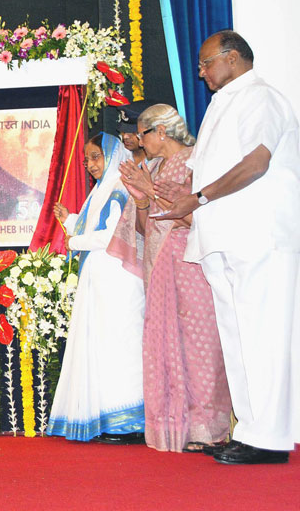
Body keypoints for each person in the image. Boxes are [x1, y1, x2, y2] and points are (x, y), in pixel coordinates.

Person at [155, 30, 300, 465]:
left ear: (233, 58)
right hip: (222, 236)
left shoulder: (261, 97)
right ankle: (251, 431)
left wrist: (198, 199)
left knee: (263, 336)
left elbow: (256, 163)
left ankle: (270, 438)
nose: (200, 73)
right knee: (238, 338)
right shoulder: (222, 104)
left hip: (258, 234)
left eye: (206, 63)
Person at [109, 104, 232, 453]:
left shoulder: (197, 161)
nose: (138, 140)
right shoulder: (154, 167)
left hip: (192, 263)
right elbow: (144, 229)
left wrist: (150, 190)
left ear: (161, 132)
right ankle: (173, 429)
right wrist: (141, 198)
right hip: (161, 266)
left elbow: (199, 218)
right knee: (165, 344)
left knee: (199, 344)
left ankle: (208, 430)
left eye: (142, 133)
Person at [46, 133, 146, 443]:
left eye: (96, 157)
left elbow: (109, 236)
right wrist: (72, 219)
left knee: (121, 345)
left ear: (113, 155)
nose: (90, 164)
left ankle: (130, 423)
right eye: (87, 159)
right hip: (101, 279)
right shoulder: (102, 190)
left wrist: (74, 241)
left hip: (120, 280)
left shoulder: (121, 188)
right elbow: (95, 228)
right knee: (103, 347)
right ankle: (109, 418)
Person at [116, 100, 159, 167]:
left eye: (134, 132)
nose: (125, 137)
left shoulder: (159, 163)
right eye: (124, 131)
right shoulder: (117, 158)